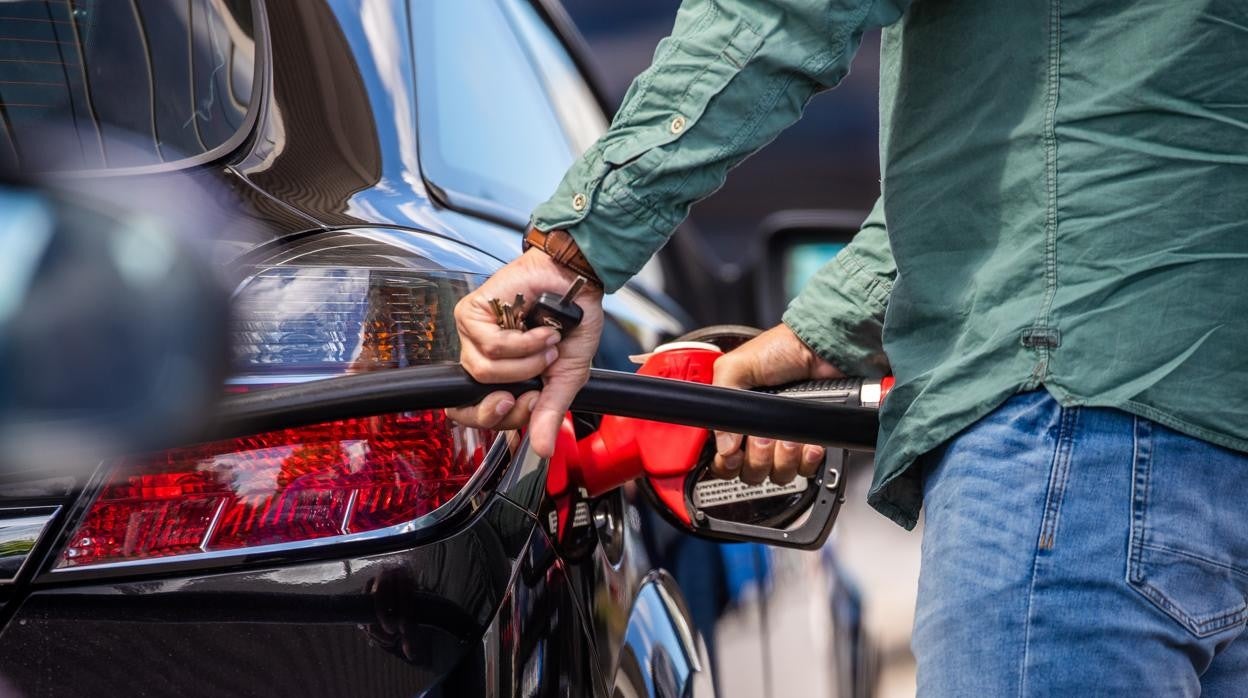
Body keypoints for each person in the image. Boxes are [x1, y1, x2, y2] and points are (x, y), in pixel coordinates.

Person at [449, 1, 1248, 693]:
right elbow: (1084, 113)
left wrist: (571, 253)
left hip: (1078, 425)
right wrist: (822, 335)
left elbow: (778, 15)